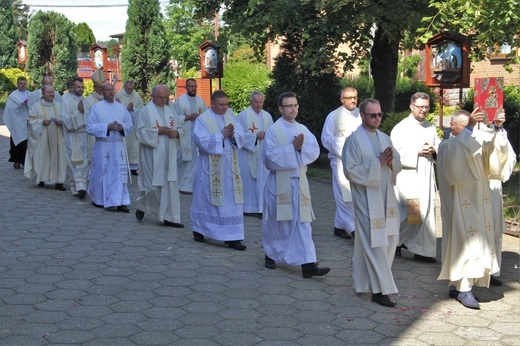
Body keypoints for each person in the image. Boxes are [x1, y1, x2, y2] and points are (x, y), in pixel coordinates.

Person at [437, 109, 512, 309]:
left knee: (477, 244)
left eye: (469, 124)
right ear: (452, 126)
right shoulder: (447, 145)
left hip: (479, 203)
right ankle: (463, 288)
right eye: (464, 124)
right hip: (459, 205)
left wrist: (497, 127)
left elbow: (496, 156)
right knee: (462, 244)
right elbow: (456, 157)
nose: (468, 128)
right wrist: (470, 127)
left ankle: (460, 284)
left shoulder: (472, 141)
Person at [262, 92, 330, 279]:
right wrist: (292, 148)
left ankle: (308, 265)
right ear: (280, 109)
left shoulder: (303, 129)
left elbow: (314, 150)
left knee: (303, 224)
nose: (293, 109)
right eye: (289, 106)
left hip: (299, 183)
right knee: (279, 224)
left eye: (295, 105)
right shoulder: (273, 131)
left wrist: (300, 149)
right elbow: (269, 159)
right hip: (279, 184)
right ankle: (270, 254)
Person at [342, 98, 402, 307]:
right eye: (373, 115)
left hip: (387, 198)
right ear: (363, 115)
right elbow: (350, 170)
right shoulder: (354, 141)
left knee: (390, 238)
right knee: (375, 242)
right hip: (367, 200)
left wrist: (391, 163)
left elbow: (397, 165)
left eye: (379, 115)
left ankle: (366, 282)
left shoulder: (385, 138)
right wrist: (377, 163)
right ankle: (380, 290)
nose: (377, 118)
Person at [190, 90, 247, 250]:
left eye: (227, 104)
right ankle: (200, 229)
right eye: (221, 105)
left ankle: (233, 237)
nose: (224, 108)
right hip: (210, 167)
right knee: (207, 200)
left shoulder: (230, 116)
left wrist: (234, 135)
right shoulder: (203, 119)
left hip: (230, 166)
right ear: (213, 103)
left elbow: (242, 136)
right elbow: (199, 140)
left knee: (232, 200)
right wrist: (221, 135)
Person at [391, 92, 441, 263]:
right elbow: (395, 154)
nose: (424, 110)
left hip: (426, 177)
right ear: (412, 106)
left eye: (426, 107)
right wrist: (416, 152)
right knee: (412, 213)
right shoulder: (401, 128)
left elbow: (439, 147)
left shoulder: (430, 127)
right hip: (409, 177)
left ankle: (422, 250)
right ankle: (395, 242)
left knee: (426, 213)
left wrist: (434, 150)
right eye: (420, 106)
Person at [134, 85, 184, 228]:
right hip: (152, 156)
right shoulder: (144, 112)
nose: (164, 100)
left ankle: (170, 217)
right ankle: (142, 205)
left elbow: (180, 127)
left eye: (166, 97)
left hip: (169, 154)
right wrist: (157, 132)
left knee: (170, 185)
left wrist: (178, 133)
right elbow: (139, 132)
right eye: (161, 97)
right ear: (153, 96)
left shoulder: (171, 111)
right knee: (152, 187)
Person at [476, 115, 517, 286]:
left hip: (493, 186)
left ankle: (490, 271)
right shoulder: (472, 130)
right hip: (477, 186)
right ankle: (476, 272)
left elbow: (509, 157)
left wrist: (499, 129)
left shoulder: (498, 131)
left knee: (493, 228)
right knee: (478, 230)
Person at [321, 87, 362, 240]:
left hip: (359, 162)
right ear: (342, 99)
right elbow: (326, 139)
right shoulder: (333, 116)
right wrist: (346, 143)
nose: (353, 100)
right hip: (340, 161)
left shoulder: (361, 114)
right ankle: (354, 230)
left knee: (354, 195)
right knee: (346, 197)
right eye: (349, 97)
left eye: (355, 97)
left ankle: (339, 227)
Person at [86, 82, 133, 212]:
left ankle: (120, 201)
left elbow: (129, 124)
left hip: (118, 146)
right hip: (103, 146)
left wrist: (122, 127)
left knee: (119, 174)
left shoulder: (121, 108)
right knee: (102, 173)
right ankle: (99, 199)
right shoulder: (96, 108)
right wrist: (107, 127)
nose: (111, 92)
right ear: (102, 91)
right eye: (108, 90)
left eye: (112, 89)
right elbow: (90, 127)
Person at [237, 90, 274, 217]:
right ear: (250, 102)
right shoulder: (243, 115)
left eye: (260, 102)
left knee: (263, 180)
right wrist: (255, 136)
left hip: (263, 153)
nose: (258, 105)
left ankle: (261, 208)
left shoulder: (267, 116)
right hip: (248, 154)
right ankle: (248, 208)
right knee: (249, 182)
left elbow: (273, 133)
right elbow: (239, 136)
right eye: (256, 102)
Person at [24, 85, 68, 191]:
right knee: (42, 157)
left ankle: (59, 182)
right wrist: (41, 122)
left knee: (59, 158)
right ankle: (41, 179)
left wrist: (61, 122)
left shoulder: (59, 105)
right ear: (43, 94)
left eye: (53, 92)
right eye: (49, 92)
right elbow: (30, 121)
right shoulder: (36, 107)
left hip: (57, 138)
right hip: (42, 138)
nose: (51, 94)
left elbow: (66, 118)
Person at [171, 78, 208, 194]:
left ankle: (192, 186)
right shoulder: (179, 101)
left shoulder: (201, 101)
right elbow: (173, 118)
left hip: (197, 135)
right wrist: (187, 118)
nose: (193, 88)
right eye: (191, 86)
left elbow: (207, 117)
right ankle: (181, 185)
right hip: (184, 136)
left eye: (195, 86)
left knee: (196, 160)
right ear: (186, 87)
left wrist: (199, 117)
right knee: (184, 160)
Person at [61, 77, 92, 199]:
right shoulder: (66, 102)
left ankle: (79, 187)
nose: (81, 89)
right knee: (75, 162)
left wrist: (85, 111)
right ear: (73, 87)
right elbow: (66, 120)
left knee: (84, 162)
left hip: (85, 135)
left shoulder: (87, 102)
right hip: (73, 135)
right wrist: (78, 113)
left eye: (82, 87)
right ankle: (80, 187)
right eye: (78, 87)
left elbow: (92, 118)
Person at [116, 80, 144, 176]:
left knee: (134, 146)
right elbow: (116, 110)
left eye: (132, 89)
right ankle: (123, 165)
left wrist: (134, 109)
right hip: (123, 125)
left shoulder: (136, 96)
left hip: (133, 125)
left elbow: (141, 110)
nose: (130, 90)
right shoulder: (118, 95)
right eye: (128, 89)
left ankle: (133, 168)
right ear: (124, 87)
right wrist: (126, 108)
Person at [3, 76, 31, 169]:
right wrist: (20, 105)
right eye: (20, 84)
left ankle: (26, 160)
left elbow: (34, 105)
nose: (22, 85)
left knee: (27, 141)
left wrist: (28, 104)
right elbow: (10, 108)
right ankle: (16, 160)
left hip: (27, 121)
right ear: (17, 84)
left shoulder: (30, 94)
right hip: (17, 121)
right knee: (16, 141)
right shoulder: (13, 96)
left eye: (24, 83)